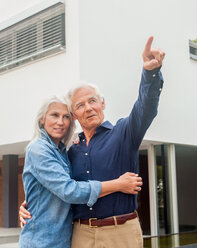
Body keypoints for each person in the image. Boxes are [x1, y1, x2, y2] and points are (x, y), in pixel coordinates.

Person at [20, 36, 165, 248]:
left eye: (92, 101)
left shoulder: (124, 133)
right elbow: (61, 188)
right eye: (79, 105)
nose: (88, 108)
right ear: (75, 115)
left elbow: (146, 107)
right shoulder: (70, 151)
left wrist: (150, 73)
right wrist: (29, 203)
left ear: (102, 104)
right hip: (79, 234)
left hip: (120, 232)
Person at [19, 96, 143, 248]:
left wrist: (30, 202)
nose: (60, 122)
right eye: (54, 115)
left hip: (64, 240)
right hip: (41, 241)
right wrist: (118, 184)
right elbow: (69, 191)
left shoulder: (64, 151)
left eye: (66, 117)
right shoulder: (39, 149)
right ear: (42, 119)